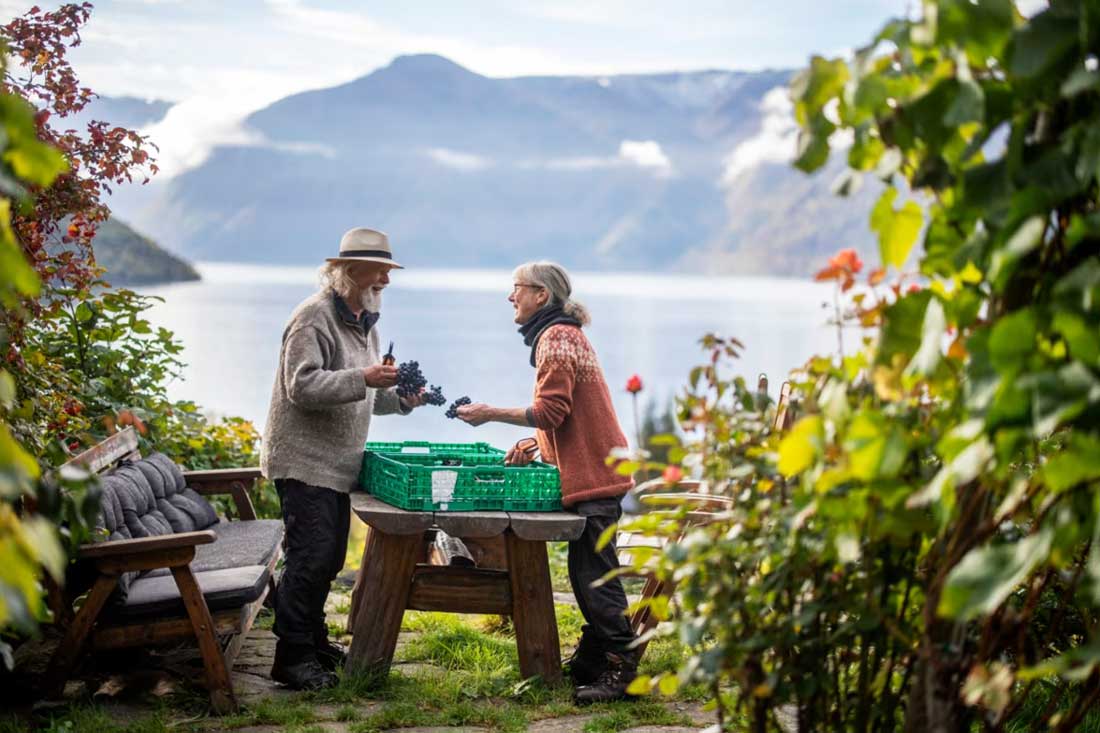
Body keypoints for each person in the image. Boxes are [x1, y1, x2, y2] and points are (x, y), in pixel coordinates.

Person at [456, 261, 638, 704]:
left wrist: (489, 413)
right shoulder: (562, 334)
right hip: (598, 469)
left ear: (541, 294)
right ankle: (595, 661)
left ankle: (623, 672)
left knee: (596, 578)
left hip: (595, 475)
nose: (510, 297)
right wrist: (535, 443)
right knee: (586, 573)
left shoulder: (556, 337)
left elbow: (552, 410)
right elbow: (564, 415)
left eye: (515, 288)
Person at [261, 227, 424, 690]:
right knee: (311, 559)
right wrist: (364, 377)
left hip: (337, 463)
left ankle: (311, 642)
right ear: (348, 271)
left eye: (388, 272)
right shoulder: (313, 318)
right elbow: (302, 386)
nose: (386, 282)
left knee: (327, 559)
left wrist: (404, 400)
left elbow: (364, 394)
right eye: (379, 272)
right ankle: (291, 657)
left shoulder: (363, 320)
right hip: (303, 459)